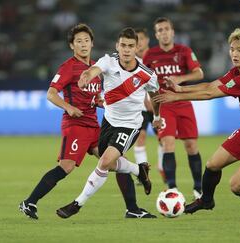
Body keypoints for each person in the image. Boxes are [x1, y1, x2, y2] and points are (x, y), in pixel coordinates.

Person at [153, 27, 240, 220]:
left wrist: (175, 98)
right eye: (232, 49)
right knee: (213, 164)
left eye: (239, 49)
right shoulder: (238, 72)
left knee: (236, 186)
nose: (234, 53)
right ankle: (206, 200)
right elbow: (209, 85)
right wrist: (180, 90)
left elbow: (210, 94)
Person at [56, 27, 162, 219]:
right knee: (112, 163)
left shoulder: (147, 74)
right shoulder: (109, 62)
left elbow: (155, 96)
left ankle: (77, 204)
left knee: (105, 161)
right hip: (108, 122)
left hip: (130, 125)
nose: (126, 50)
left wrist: (156, 117)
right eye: (123, 45)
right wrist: (87, 75)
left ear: (137, 47)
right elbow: (94, 69)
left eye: (131, 46)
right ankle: (139, 170)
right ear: (117, 46)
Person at [18, 23, 103, 220]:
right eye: (78, 41)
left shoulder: (95, 68)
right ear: (72, 46)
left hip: (93, 125)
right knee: (67, 166)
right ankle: (29, 202)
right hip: (76, 127)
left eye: (86, 41)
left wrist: (100, 102)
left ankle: (132, 207)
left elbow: (93, 97)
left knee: (111, 160)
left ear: (92, 44)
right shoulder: (68, 67)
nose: (83, 45)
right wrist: (69, 107)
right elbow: (51, 94)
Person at [144, 17, 204, 199]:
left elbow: (199, 73)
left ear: (173, 32)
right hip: (165, 105)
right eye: (160, 30)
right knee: (168, 144)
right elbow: (143, 80)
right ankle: (172, 188)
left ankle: (198, 189)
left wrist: (178, 79)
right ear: (156, 34)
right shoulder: (150, 56)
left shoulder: (184, 51)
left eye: (166, 29)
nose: (164, 32)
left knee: (191, 145)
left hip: (184, 101)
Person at [133, 28, 164, 182]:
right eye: (136, 40)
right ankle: (142, 174)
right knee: (140, 138)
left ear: (147, 41)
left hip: (158, 104)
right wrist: (145, 100)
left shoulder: (155, 58)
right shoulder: (132, 60)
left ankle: (163, 168)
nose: (139, 43)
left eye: (141, 39)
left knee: (163, 139)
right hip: (141, 107)